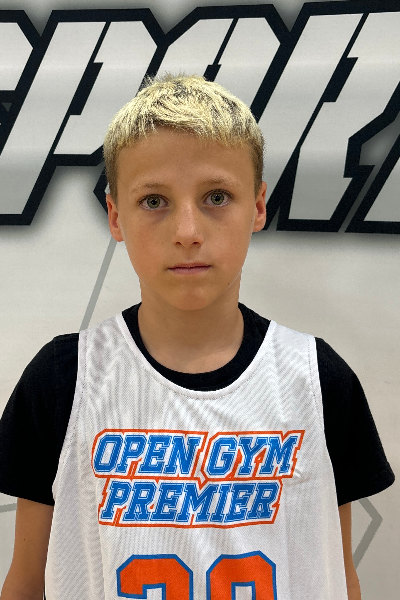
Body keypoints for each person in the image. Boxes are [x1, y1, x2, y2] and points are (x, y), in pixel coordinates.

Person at [0, 74, 394, 600]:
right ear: (116, 216)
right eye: (154, 201)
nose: (187, 231)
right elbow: (26, 583)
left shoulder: (317, 379)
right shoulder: (62, 381)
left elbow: (339, 576)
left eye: (216, 196)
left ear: (258, 206)